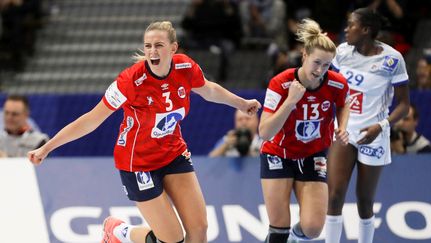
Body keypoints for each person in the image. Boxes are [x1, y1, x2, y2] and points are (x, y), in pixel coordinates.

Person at [28, 21, 261, 243]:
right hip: (138, 164)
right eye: (148, 46)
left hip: (173, 154)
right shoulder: (130, 81)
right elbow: (91, 120)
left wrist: (241, 103)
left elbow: (208, 89)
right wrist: (47, 147)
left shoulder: (185, 66)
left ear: (173, 48)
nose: (152, 51)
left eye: (159, 45)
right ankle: (119, 232)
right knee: (172, 239)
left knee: (199, 231)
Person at [259, 18, 350, 243]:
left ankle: (295, 239)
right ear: (304, 56)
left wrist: (343, 126)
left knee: (312, 229)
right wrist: (290, 102)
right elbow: (264, 132)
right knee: (279, 229)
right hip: (278, 154)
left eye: (327, 65)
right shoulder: (280, 83)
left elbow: (345, 102)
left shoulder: (337, 84)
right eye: (317, 62)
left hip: (314, 154)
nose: (320, 70)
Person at [325, 8, 410, 243]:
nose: (345, 29)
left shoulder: (392, 60)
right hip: (345, 131)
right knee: (334, 196)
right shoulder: (341, 53)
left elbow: (403, 105)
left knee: (364, 201)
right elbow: (328, 85)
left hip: (375, 135)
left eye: (350, 25)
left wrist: (381, 127)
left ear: (366, 30)